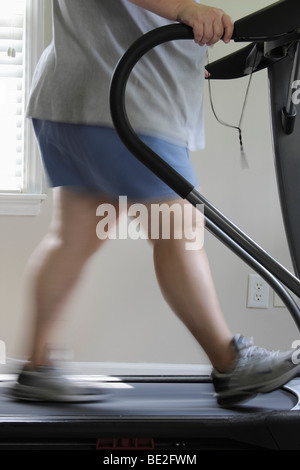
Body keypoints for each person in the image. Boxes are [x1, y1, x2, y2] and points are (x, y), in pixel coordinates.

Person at [12, 0, 300, 406]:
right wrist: (185, 9)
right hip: (124, 98)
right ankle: (230, 361)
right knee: (177, 233)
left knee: (74, 238)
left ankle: (37, 365)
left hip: (74, 93)